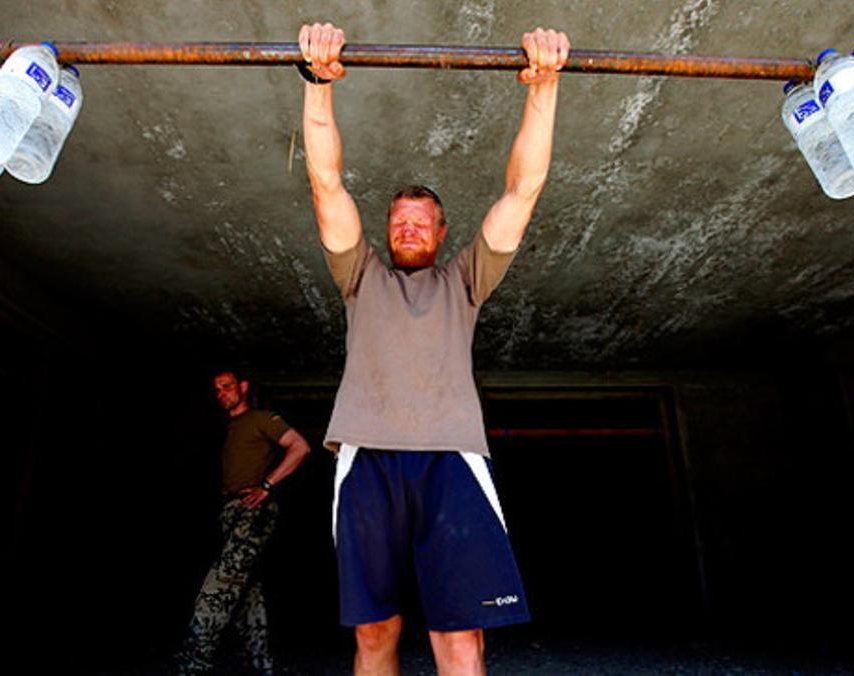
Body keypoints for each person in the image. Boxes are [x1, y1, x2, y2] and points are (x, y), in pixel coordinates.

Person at [298, 20, 569, 676]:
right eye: (397, 220)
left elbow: (521, 191)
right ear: (385, 232)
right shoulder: (360, 276)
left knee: (460, 640)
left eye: (421, 220)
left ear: (442, 232)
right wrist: (318, 83)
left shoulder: (465, 281)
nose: (408, 227)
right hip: (367, 459)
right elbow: (327, 185)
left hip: (452, 462)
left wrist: (545, 87)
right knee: (372, 634)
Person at [177, 369, 312, 674]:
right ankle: (260, 664)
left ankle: (192, 663)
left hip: (253, 510)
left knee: (221, 581)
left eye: (227, 387)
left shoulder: (261, 418)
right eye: (217, 390)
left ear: (243, 386)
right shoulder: (231, 428)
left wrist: (267, 485)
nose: (222, 393)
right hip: (232, 512)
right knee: (247, 590)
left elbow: (300, 447)